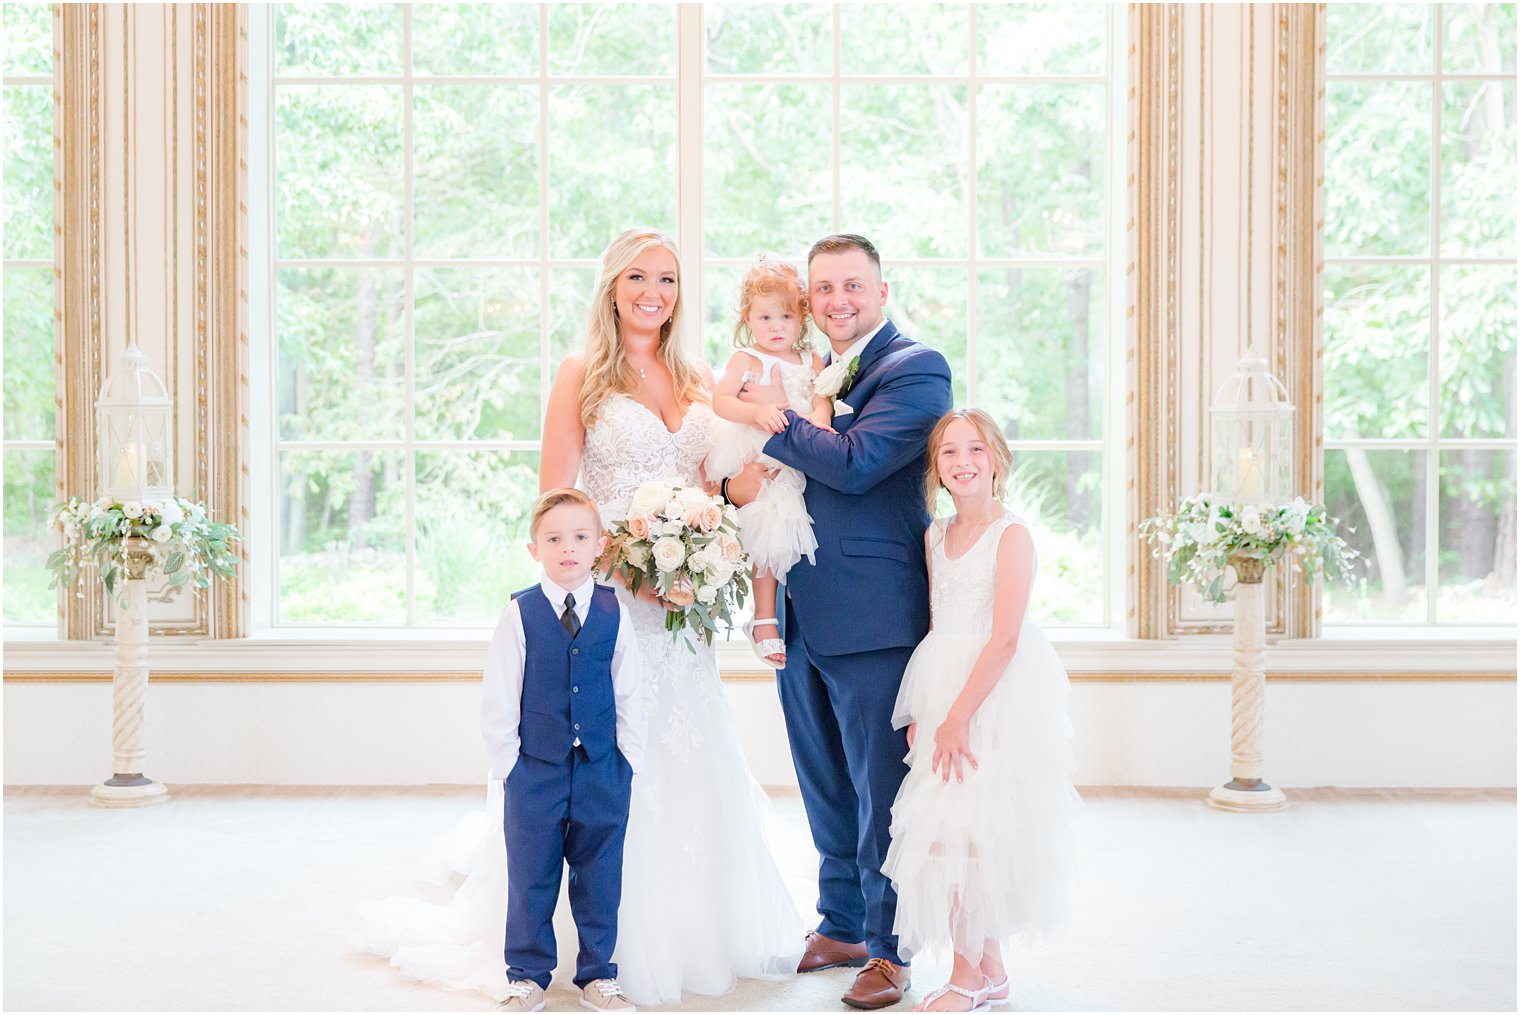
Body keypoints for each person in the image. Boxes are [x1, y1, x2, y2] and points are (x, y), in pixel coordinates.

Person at [356, 228, 803, 1008]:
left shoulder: (698, 376)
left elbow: (708, 481)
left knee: (684, 746)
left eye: (666, 278)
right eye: (637, 276)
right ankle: (569, 944)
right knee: (600, 763)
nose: (652, 292)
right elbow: (559, 497)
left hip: (683, 605)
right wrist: (626, 566)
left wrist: (717, 526)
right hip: (610, 601)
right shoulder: (580, 374)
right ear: (612, 286)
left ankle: (691, 931)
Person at [731, 233, 953, 1010]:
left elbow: (855, 463)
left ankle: (892, 951)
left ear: (882, 292)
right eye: (823, 289)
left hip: (875, 615)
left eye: (852, 286)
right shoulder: (806, 372)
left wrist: (770, 416)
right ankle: (843, 922)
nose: (837, 301)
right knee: (824, 780)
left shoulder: (916, 369)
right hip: (797, 608)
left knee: (882, 788)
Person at [881, 409, 1078, 1012]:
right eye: (948, 453)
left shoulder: (1010, 535)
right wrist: (926, 706)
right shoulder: (935, 535)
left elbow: (1004, 639)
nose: (962, 463)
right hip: (943, 684)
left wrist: (959, 716)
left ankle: (967, 977)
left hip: (991, 696)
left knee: (969, 833)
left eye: (974, 450)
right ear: (935, 470)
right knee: (949, 830)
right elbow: (940, 623)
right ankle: (990, 972)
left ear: (996, 459)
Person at [481, 488, 644, 1013]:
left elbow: (630, 693)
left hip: (601, 768)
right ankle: (527, 974)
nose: (567, 548)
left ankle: (598, 973)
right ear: (535, 550)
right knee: (531, 872)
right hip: (535, 771)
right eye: (553, 539)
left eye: (579, 537)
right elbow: (500, 696)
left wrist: (626, 761)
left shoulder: (613, 611)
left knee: (601, 872)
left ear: (599, 545)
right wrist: (510, 767)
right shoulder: (519, 614)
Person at [706, 256, 831, 668]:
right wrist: (756, 413)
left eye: (785, 316)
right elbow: (721, 400)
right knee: (769, 525)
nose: (776, 326)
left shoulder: (811, 359)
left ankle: (792, 609)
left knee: (795, 530)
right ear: (748, 318)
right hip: (757, 448)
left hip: (800, 451)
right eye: (765, 317)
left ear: (802, 319)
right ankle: (763, 618)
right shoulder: (746, 360)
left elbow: (821, 398)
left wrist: (818, 419)